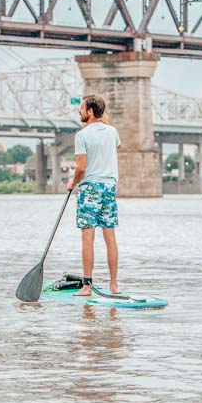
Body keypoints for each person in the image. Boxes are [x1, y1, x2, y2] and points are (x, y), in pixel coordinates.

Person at [66, 95, 121, 296]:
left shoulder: (82, 135)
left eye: (81, 108)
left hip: (90, 189)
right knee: (110, 236)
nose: (79, 111)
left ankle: (87, 286)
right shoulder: (113, 132)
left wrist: (73, 182)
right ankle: (114, 285)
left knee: (87, 238)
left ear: (90, 111)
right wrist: (103, 120)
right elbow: (115, 146)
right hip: (109, 188)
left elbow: (81, 167)